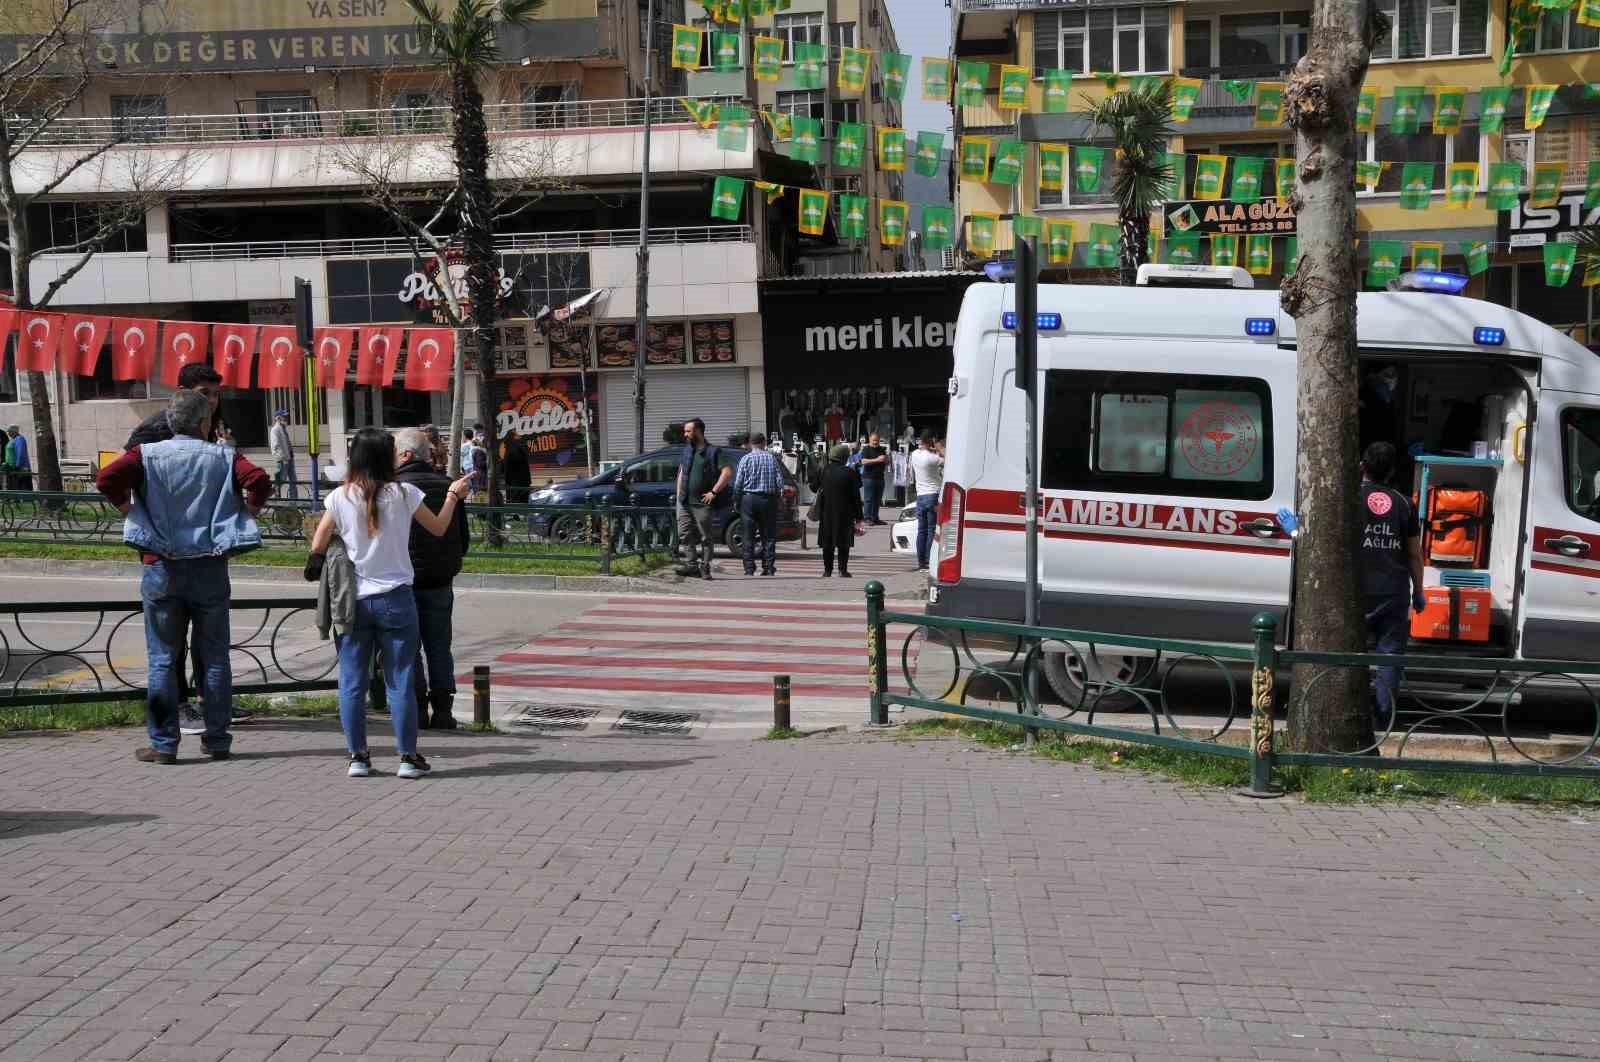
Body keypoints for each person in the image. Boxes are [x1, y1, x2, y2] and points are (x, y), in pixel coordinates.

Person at [95, 390, 269, 764]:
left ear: (171, 422)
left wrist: (129, 508)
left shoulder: (147, 454)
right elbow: (258, 480)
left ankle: (163, 744)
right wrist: (247, 513)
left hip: (161, 565)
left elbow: (106, 477)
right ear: (205, 423)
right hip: (209, 564)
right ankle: (218, 740)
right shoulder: (223, 456)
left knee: (161, 659)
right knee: (216, 657)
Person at [306, 427, 472, 779]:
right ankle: (408, 758)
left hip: (354, 602)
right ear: (387, 458)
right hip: (397, 598)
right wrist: (454, 496)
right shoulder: (404, 493)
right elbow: (440, 528)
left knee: (352, 681)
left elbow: (317, 544)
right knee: (400, 679)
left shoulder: (340, 497)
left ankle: (358, 757)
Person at [124, 361, 232, 736]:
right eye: (205, 394)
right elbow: (117, 477)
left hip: (202, 549)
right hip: (165, 552)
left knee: (207, 648)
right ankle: (185, 711)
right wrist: (138, 514)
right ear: (183, 395)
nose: (213, 402)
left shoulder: (208, 429)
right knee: (168, 652)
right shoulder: (158, 429)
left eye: (216, 394)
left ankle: (205, 714)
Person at [394, 427, 470, 730]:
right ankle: (443, 710)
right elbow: (462, 537)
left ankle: (418, 709)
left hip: (404, 579)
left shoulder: (395, 488)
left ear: (406, 454)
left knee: (408, 647)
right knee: (439, 645)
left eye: (395, 453)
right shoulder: (448, 486)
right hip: (440, 579)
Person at [1359, 441, 1425, 735]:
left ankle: (1355, 712)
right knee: (1389, 656)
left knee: (1351, 654)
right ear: (1393, 471)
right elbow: (1413, 553)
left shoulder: (1350, 499)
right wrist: (1418, 591)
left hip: (1356, 590)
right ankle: (1384, 719)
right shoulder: (1404, 503)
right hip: (1393, 591)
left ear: (1362, 467)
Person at [675, 417, 734, 579]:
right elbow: (681, 472)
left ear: (698, 431)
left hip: (702, 503)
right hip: (684, 501)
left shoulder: (713, 452)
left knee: (706, 536)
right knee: (684, 533)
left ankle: (705, 566)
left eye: (688, 431)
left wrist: (713, 492)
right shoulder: (687, 450)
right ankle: (691, 565)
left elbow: (727, 472)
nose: (685, 434)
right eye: (685, 431)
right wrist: (679, 493)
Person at [127, 363, 225, 448]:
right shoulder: (158, 427)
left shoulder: (214, 418)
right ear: (182, 392)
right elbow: (123, 461)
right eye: (204, 393)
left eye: (216, 394)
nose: (212, 400)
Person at [733, 432, 782, 577]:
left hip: (749, 500)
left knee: (748, 535)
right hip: (768, 500)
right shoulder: (771, 458)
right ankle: (768, 567)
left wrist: (736, 500)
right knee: (768, 535)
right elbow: (779, 481)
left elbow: (738, 484)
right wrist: (779, 499)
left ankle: (749, 568)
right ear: (764, 443)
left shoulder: (745, 459)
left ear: (750, 443)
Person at [812, 443, 864, 578]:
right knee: (843, 542)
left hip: (826, 511)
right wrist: (859, 517)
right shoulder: (850, 472)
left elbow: (813, 487)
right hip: (845, 513)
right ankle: (842, 570)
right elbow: (856, 497)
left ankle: (827, 570)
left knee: (827, 542)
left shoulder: (824, 470)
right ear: (844, 457)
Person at [910, 431, 944, 571]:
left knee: (921, 530)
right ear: (931, 441)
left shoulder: (914, 455)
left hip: (920, 496)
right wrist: (937, 448)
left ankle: (920, 562)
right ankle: (929, 560)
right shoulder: (933, 458)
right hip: (933, 494)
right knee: (931, 530)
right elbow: (948, 458)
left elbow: (921, 450)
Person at [859, 431, 889, 525]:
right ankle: (867, 518)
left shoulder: (881, 449)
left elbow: (886, 462)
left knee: (877, 499)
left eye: (877, 440)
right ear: (870, 440)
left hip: (880, 477)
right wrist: (877, 460)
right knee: (869, 499)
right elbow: (863, 461)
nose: (875, 442)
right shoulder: (866, 449)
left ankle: (875, 518)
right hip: (869, 478)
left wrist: (887, 460)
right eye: (873, 440)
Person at [269, 408, 297, 499]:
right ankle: (273, 495)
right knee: (281, 480)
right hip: (283, 460)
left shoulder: (283, 428)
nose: (286, 418)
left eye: (286, 416)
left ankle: (294, 500)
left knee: (293, 480)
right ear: (278, 418)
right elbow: (275, 447)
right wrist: (282, 459)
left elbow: (287, 443)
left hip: (289, 458)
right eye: (283, 416)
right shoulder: (275, 430)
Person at [502, 432, 532, 505]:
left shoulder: (510, 448)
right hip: (521, 481)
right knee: (521, 501)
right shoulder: (518, 447)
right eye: (517, 435)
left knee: (515, 502)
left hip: (513, 481)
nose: (519, 435)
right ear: (513, 437)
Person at [3, 425, 30, 491]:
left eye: (9, 431)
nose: (8, 433)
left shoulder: (19, 439)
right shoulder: (13, 440)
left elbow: (20, 453)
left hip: (18, 467)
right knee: (13, 485)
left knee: (21, 486)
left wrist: (17, 465)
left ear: (14, 432)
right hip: (11, 467)